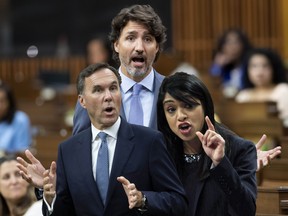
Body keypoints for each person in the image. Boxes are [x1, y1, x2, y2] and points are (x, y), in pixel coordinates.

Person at [37, 63, 188, 215]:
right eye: (98, 90)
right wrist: (51, 199)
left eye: (113, 88)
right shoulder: (68, 150)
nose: (108, 96)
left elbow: (178, 202)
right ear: (82, 101)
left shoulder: (149, 141)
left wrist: (144, 199)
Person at [157, 72, 257, 215]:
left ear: (206, 107)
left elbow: (246, 210)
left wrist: (221, 163)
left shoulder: (240, 149)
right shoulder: (162, 151)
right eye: (171, 109)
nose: (180, 116)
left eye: (189, 105)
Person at [73, 4, 166, 134]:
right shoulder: (92, 91)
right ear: (116, 45)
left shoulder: (172, 90)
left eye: (147, 39)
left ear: (156, 47)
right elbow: (80, 147)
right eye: (131, 38)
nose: (139, 47)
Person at [235, 47, 288, 126]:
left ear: (274, 68)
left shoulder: (283, 91)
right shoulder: (243, 96)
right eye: (254, 66)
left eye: (265, 66)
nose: (260, 72)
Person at [210, 28, 253, 98]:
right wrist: (218, 66)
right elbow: (212, 84)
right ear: (222, 46)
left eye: (236, 42)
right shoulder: (221, 66)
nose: (232, 47)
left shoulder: (250, 63)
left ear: (243, 45)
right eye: (228, 42)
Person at [0, 81, 32, 155]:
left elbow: (23, 151)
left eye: (1, 101)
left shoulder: (20, 119)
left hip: (11, 163)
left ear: (9, 103)